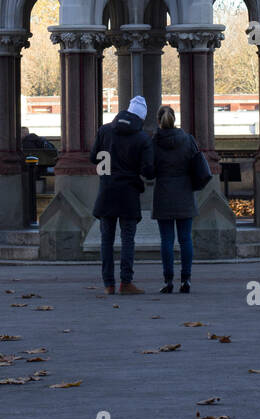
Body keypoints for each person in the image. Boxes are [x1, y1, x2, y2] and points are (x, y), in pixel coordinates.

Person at [89, 95, 155, 295]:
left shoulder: (105, 131)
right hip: (129, 194)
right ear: (141, 118)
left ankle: (108, 283)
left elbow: (95, 158)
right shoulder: (142, 138)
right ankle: (126, 282)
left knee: (106, 240)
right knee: (128, 239)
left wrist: (109, 171)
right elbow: (148, 171)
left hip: (107, 191)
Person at [152, 105, 209, 293]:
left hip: (163, 194)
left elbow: (149, 171)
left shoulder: (154, 142)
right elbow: (197, 164)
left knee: (166, 240)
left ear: (159, 121)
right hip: (185, 192)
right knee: (185, 239)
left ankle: (168, 281)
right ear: (174, 120)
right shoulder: (188, 140)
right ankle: (186, 280)